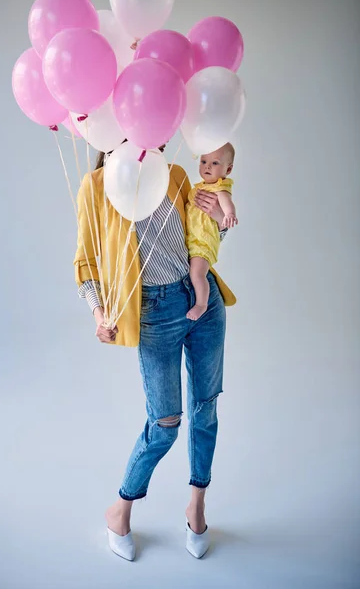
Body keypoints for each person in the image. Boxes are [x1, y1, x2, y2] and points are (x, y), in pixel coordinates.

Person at [73, 145, 236, 561]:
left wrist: (220, 220)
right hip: (153, 312)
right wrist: (98, 312)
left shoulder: (176, 173)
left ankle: (196, 506)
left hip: (201, 299)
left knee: (205, 407)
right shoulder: (95, 187)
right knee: (164, 423)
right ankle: (120, 508)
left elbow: (203, 231)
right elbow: (86, 263)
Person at [186, 143, 238, 321]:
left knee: (197, 273)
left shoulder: (220, 187)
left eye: (215, 163)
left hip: (203, 242)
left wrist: (229, 214)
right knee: (194, 271)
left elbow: (226, 202)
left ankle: (202, 304)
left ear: (228, 169)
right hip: (192, 239)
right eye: (203, 161)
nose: (207, 166)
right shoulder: (199, 187)